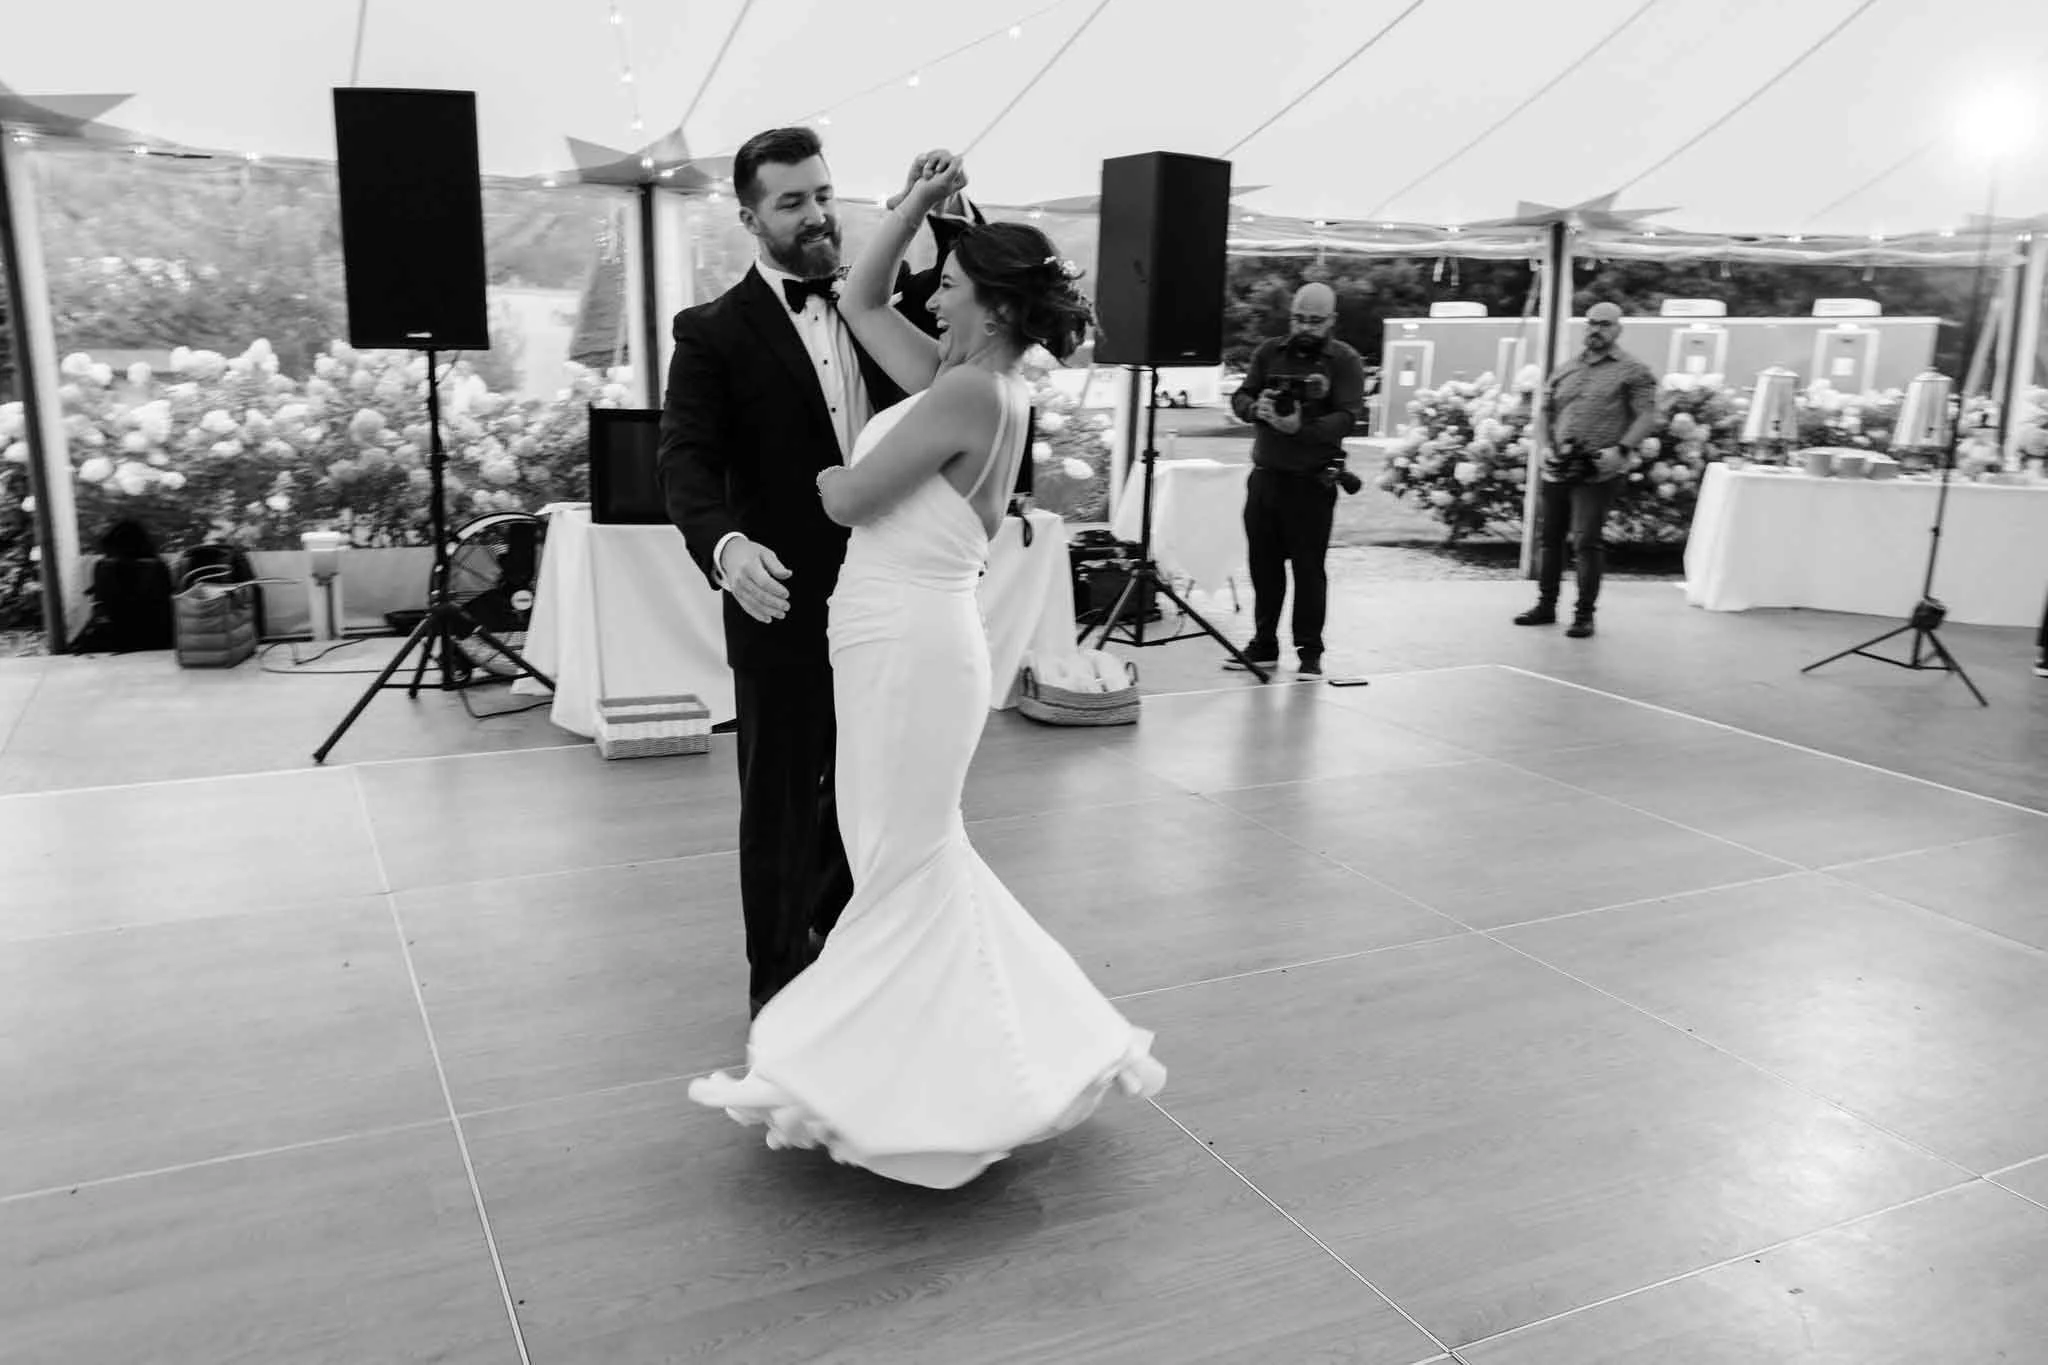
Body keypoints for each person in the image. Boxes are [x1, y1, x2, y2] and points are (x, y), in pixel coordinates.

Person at [687, 152, 1165, 1190]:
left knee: (900, 859)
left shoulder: (968, 399)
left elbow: (845, 500)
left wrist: (815, 470)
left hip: (906, 643)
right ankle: (903, 1052)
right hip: (890, 639)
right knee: (898, 851)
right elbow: (863, 294)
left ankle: (907, 1074)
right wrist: (911, 204)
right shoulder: (962, 383)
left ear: (988, 309)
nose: (931, 288)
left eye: (949, 282)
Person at [659, 126, 920, 1020]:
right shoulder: (710, 332)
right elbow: (685, 465)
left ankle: (846, 944)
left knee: (868, 782)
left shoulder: (882, 303)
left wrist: (937, 203)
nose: (816, 216)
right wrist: (727, 549)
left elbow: (978, 318)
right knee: (777, 795)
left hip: (888, 591)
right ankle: (777, 985)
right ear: (749, 218)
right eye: (791, 201)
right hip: (779, 598)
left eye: (822, 193)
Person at [1226, 281, 1365, 677]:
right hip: (1266, 477)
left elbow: (1348, 416)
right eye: (1300, 318)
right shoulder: (1269, 352)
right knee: (1263, 567)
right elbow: (1240, 395)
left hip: (1312, 482)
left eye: (1316, 320)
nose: (1306, 327)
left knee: (1308, 570)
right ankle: (1264, 643)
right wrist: (1257, 409)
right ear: (1291, 316)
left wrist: (1299, 427)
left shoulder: (1345, 360)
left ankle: (1309, 651)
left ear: (1331, 320)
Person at [1514, 300, 1658, 638]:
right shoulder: (1565, 369)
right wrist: (1546, 449)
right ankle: (1546, 606)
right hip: (1558, 466)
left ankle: (1584, 614)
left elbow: (1647, 415)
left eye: (1605, 324)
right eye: (1592, 323)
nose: (1596, 329)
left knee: (1586, 541)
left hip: (1600, 469)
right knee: (1549, 539)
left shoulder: (1633, 371)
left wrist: (1622, 450)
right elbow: (1545, 412)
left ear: (1618, 329)